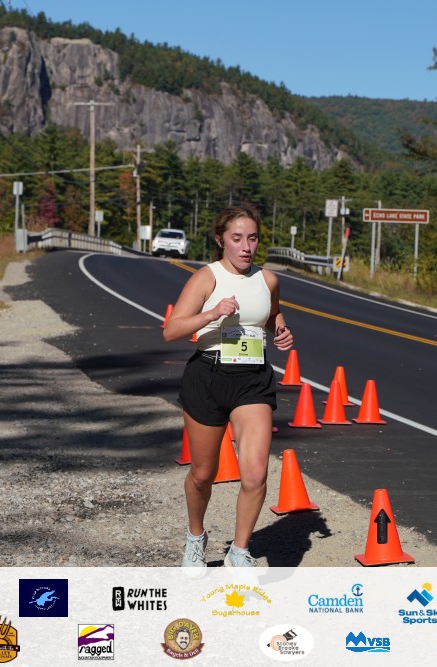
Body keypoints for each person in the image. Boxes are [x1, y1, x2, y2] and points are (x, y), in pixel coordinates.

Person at [163, 204, 293, 569]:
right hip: (208, 375)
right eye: (237, 238)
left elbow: (271, 313)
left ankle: (239, 551)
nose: (246, 247)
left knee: (255, 473)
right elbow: (172, 330)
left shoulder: (268, 280)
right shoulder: (206, 277)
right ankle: (195, 538)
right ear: (221, 240)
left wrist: (280, 329)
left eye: (253, 238)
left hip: (253, 379)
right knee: (203, 474)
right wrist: (212, 313)